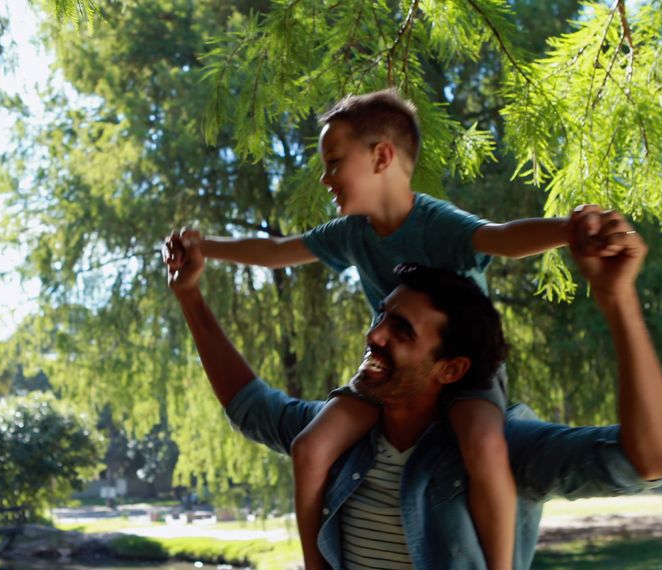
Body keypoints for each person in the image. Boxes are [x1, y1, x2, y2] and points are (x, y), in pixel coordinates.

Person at [161, 206, 662, 569]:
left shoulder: (503, 451)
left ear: (450, 369)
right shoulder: (342, 441)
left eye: (401, 330)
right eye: (382, 315)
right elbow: (250, 405)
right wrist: (190, 297)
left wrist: (616, 299)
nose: (374, 334)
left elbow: (648, 460)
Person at [185, 89, 570, 569]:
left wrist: (570, 229)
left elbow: (504, 239)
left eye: (334, 162)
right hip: (388, 372)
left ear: (381, 156)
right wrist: (207, 247)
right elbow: (275, 251)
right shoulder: (352, 233)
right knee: (310, 446)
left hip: (462, 373)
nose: (325, 178)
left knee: (484, 444)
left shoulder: (436, 223)